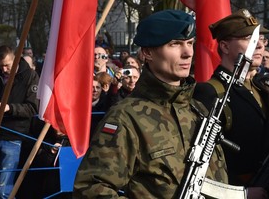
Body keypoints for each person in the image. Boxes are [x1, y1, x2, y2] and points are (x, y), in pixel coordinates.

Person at [74, 10, 231, 197]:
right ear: (148, 52)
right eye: (175, 44)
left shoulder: (198, 110)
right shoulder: (126, 117)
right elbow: (91, 189)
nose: (188, 53)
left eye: (190, 43)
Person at [193, 8, 269, 186]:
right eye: (249, 38)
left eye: (261, 39)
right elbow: (203, 160)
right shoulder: (211, 92)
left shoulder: (263, 87)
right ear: (224, 46)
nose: (260, 45)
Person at [0, 45, 39, 199]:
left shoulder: (29, 76)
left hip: (14, 135)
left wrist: (9, 108)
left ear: (15, 59)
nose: (4, 69)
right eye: (0, 65)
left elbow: (33, 108)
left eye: (7, 65)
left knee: (4, 191)